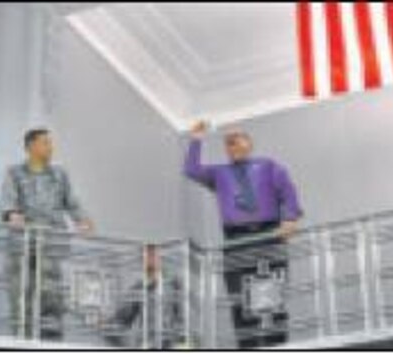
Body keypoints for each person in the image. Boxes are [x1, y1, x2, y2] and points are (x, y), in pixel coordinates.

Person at [183, 120, 303, 348]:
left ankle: (276, 344)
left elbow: (287, 191)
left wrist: (290, 218)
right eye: (228, 144)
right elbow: (191, 170)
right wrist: (196, 139)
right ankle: (247, 346)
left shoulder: (268, 166)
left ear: (249, 144)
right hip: (236, 240)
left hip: (268, 235)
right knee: (239, 296)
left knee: (271, 293)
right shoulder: (219, 173)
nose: (232, 146)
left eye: (236, 141)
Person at [0, 128, 93, 340]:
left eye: (50, 143)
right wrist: (12, 214)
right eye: (45, 143)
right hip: (22, 247)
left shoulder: (60, 174)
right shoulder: (14, 172)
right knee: (22, 297)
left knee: (52, 297)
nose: (51, 147)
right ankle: (22, 343)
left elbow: (72, 201)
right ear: (31, 147)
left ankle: (51, 343)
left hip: (50, 247)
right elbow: (8, 201)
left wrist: (82, 219)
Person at [103, 244, 185, 348]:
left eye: (153, 256)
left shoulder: (174, 285)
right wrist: (109, 327)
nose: (149, 260)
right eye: (146, 256)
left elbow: (182, 320)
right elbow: (122, 317)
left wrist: (179, 341)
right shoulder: (139, 288)